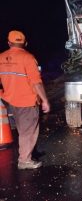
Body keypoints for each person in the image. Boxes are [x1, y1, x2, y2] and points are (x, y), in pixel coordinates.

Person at [0, 30, 50, 169]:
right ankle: (24, 161)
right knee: (28, 131)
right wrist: (45, 100)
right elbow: (36, 82)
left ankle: (29, 152)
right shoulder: (28, 58)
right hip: (27, 101)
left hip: (10, 100)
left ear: (9, 43)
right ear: (25, 43)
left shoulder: (1, 57)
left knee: (22, 130)